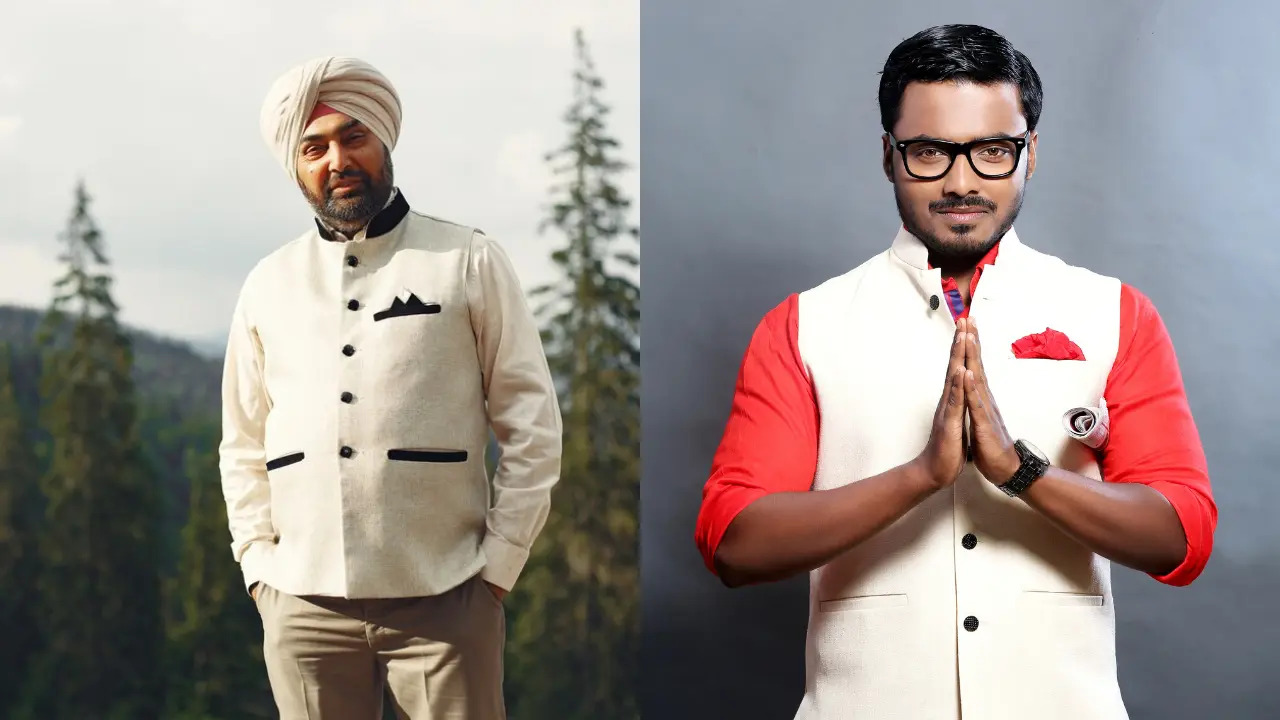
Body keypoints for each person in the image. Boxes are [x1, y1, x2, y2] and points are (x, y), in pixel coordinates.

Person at [693, 24, 1216, 720]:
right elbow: (734, 541)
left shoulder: (1114, 314)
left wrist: (1020, 471)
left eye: (993, 152)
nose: (962, 181)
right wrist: (920, 477)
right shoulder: (802, 326)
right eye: (930, 152)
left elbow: (1182, 535)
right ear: (888, 156)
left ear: (1032, 155)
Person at [219, 56, 562, 720]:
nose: (336, 160)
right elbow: (242, 440)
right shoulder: (267, 283)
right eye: (313, 148)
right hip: (300, 602)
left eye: (354, 138)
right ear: (296, 167)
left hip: (447, 595)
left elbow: (531, 423)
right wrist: (258, 568)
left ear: (384, 141)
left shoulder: (467, 258)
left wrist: (496, 570)